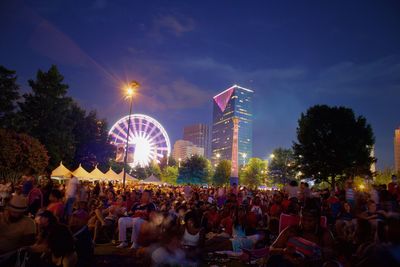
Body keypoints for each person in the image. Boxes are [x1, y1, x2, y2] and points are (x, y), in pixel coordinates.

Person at [268, 199, 335, 267]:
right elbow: (271, 249)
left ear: (317, 220)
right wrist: (284, 251)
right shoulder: (291, 230)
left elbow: (331, 257)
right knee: (273, 259)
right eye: (303, 219)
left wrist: (307, 262)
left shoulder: (324, 234)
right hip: (288, 262)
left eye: (310, 220)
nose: (306, 223)